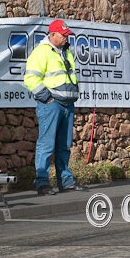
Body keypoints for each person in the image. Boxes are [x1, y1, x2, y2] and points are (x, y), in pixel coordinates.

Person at [23, 20, 88, 195]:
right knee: (46, 144)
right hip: (52, 105)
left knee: (64, 145)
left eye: (67, 35)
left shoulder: (65, 52)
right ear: (52, 34)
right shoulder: (41, 52)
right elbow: (30, 78)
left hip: (67, 105)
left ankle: (65, 182)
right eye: (63, 35)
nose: (67, 38)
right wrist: (47, 98)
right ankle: (42, 183)